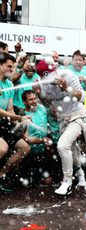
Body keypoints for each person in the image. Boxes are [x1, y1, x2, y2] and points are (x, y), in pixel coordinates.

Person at [35, 60, 86, 195]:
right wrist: (38, 94)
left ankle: (67, 182)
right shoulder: (43, 83)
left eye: (50, 76)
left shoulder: (69, 75)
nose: (48, 80)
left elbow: (83, 97)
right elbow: (48, 105)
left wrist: (66, 89)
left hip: (77, 117)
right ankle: (81, 176)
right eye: (44, 78)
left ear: (55, 71)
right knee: (71, 149)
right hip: (62, 119)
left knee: (62, 145)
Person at [0, 52, 31, 191]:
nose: (11, 70)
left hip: (3, 123)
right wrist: (18, 118)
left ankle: (1, 174)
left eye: (12, 67)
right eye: (9, 66)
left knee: (25, 148)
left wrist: (20, 124)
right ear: (0, 66)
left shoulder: (10, 84)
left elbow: (10, 109)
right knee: (2, 148)